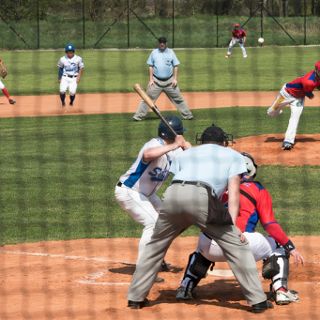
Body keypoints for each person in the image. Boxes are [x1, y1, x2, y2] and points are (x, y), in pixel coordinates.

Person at [127, 124, 273, 313]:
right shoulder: (233, 155)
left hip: (173, 195)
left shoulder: (186, 154)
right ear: (223, 142)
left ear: (202, 141)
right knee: (237, 246)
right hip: (203, 198)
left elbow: (183, 174)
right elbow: (234, 194)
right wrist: (233, 227)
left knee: (155, 245)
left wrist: (191, 153)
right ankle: (258, 301)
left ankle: (135, 298)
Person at [176, 152, 304, 305]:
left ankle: (185, 287)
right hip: (240, 244)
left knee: (202, 247)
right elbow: (270, 225)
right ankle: (281, 291)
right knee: (279, 245)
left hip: (209, 247)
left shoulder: (217, 186)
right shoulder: (257, 189)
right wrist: (290, 247)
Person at [115, 116, 190, 266]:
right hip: (129, 191)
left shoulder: (174, 150)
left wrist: (188, 148)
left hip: (147, 195)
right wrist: (175, 145)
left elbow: (194, 161)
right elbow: (147, 155)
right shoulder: (153, 144)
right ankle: (145, 267)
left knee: (170, 222)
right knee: (153, 223)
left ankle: (156, 257)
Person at [133, 37, 193, 121]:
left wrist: (175, 79)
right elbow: (151, 66)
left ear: (166, 43)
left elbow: (175, 66)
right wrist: (151, 79)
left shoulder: (171, 52)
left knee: (179, 99)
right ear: (158, 43)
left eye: (163, 42)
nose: (162, 44)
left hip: (170, 82)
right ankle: (138, 117)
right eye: (160, 42)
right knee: (147, 99)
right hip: (156, 82)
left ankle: (188, 116)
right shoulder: (154, 52)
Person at [267, 61, 320, 150]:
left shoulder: (317, 76)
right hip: (286, 94)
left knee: (295, 118)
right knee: (271, 112)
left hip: (299, 99)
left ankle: (288, 141)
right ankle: (278, 110)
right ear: (317, 71)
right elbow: (309, 94)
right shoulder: (309, 82)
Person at [57, 44, 84, 108]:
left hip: (74, 78)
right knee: (62, 90)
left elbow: (81, 68)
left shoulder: (78, 58)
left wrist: (79, 77)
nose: (70, 53)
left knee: (72, 92)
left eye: (71, 51)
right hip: (65, 77)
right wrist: (59, 77)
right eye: (68, 51)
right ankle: (63, 103)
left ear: (73, 51)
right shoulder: (62, 59)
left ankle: (71, 102)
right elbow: (60, 68)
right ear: (66, 52)